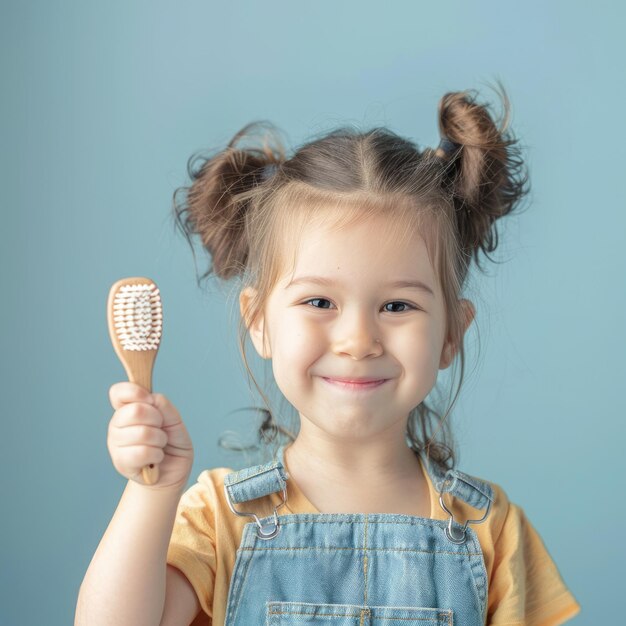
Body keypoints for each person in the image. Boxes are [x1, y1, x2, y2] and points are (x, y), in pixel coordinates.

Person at [75, 84, 581, 626]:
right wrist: (152, 493)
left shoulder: (493, 530)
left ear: (452, 334)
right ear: (259, 323)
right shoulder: (219, 518)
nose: (357, 340)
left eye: (397, 305)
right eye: (319, 301)